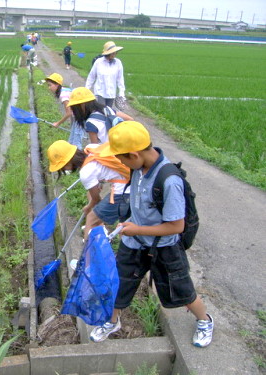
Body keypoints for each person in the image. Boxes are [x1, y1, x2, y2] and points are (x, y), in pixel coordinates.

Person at [94, 121, 214, 348]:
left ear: (133, 153)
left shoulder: (169, 180)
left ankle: (204, 320)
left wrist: (137, 228)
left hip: (164, 247)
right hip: (134, 242)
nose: (120, 163)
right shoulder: (139, 167)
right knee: (118, 284)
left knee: (182, 290)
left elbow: (176, 226)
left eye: (121, 158)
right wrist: (130, 224)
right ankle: (112, 321)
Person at [47, 140, 130, 240]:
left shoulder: (85, 173)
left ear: (68, 161)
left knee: (90, 218)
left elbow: (96, 200)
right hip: (129, 178)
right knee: (90, 196)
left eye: (62, 167)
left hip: (124, 192)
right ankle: (99, 226)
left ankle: (87, 253)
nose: (64, 170)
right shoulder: (90, 148)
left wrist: (88, 207)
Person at [67, 87, 133, 145]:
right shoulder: (107, 109)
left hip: (110, 154)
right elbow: (130, 119)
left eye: (74, 108)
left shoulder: (91, 123)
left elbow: (95, 150)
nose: (74, 111)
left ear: (82, 105)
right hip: (123, 146)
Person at [45, 73, 85, 150]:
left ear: (57, 85)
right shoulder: (64, 90)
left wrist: (58, 123)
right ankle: (71, 157)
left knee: (76, 143)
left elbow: (69, 113)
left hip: (81, 116)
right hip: (78, 116)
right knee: (71, 141)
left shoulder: (63, 94)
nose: (49, 88)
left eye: (50, 85)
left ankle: (79, 159)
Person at [85, 41, 126, 109]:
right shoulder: (98, 62)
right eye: (112, 52)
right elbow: (91, 77)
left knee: (108, 112)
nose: (114, 53)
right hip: (100, 92)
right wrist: (86, 89)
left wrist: (122, 92)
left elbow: (120, 79)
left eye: (115, 52)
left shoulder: (118, 63)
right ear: (107, 53)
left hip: (111, 93)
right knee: (101, 111)